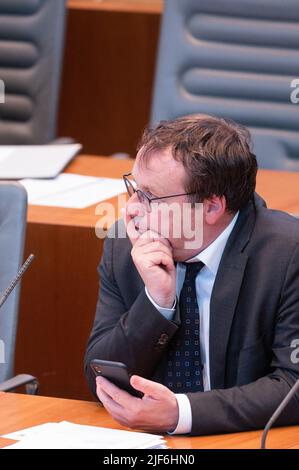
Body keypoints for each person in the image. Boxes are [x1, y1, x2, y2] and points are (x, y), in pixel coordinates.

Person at [84, 114, 299, 435]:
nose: (131, 209)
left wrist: (181, 414)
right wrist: (156, 303)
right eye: (133, 188)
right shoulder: (125, 247)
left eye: (150, 197)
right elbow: (100, 376)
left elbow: (293, 385)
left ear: (211, 207)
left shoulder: (287, 254)